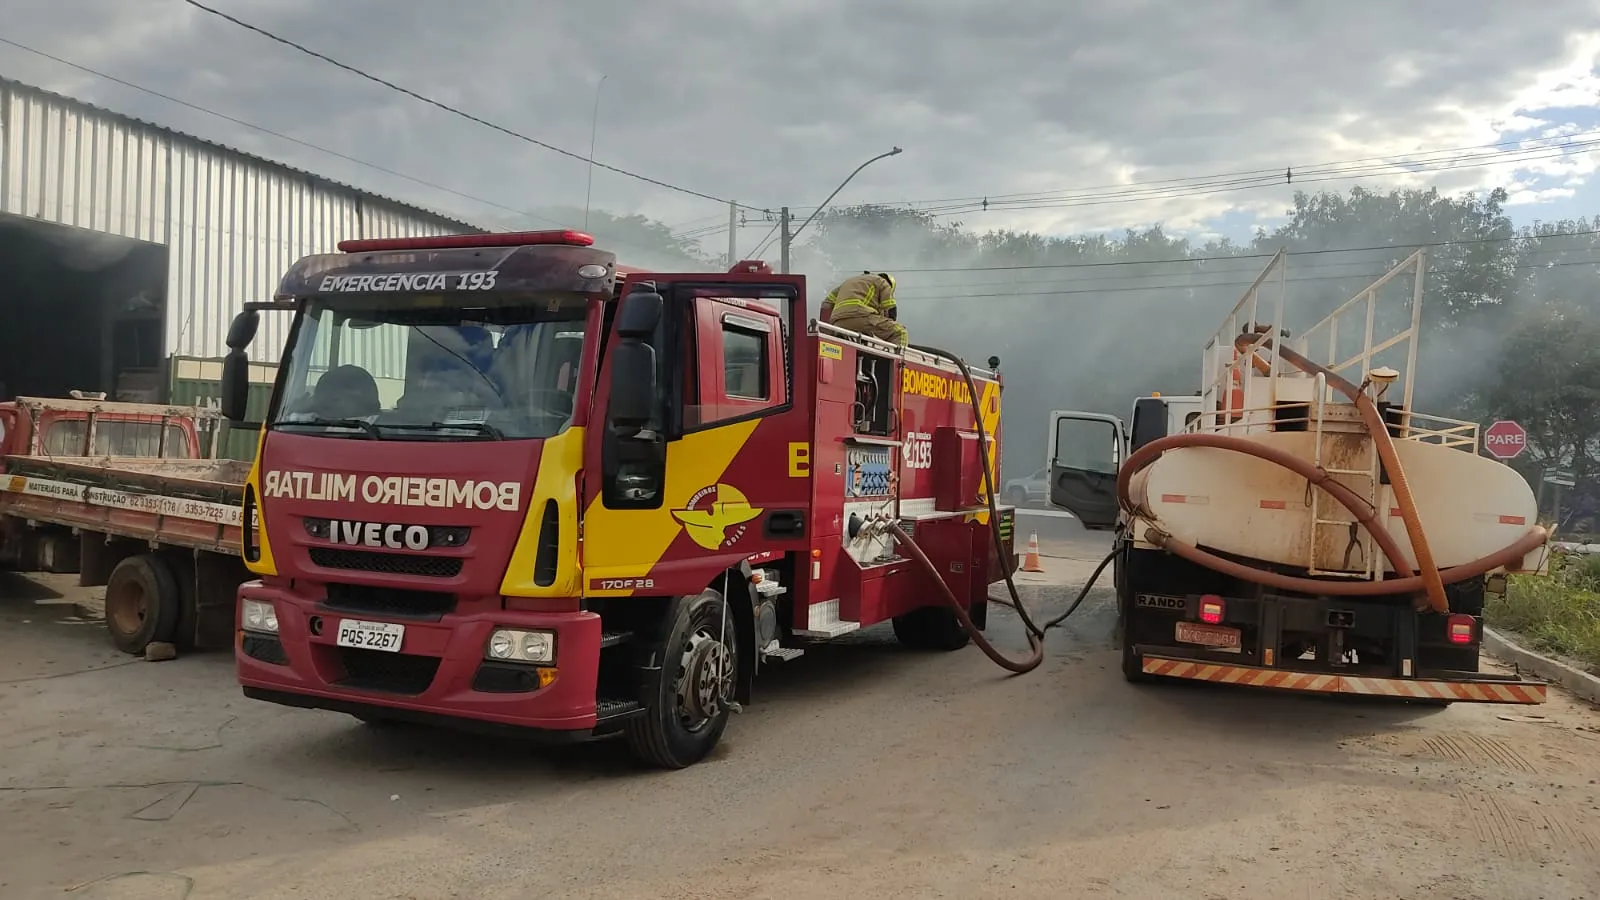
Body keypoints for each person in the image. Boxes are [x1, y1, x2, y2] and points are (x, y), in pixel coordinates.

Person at [821, 271, 906, 347]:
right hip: (862, 318)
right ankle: (900, 362)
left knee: (864, 337)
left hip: (838, 323)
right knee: (900, 331)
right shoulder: (882, 282)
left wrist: (827, 330)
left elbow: (826, 305)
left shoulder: (847, 283)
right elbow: (890, 308)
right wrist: (888, 325)